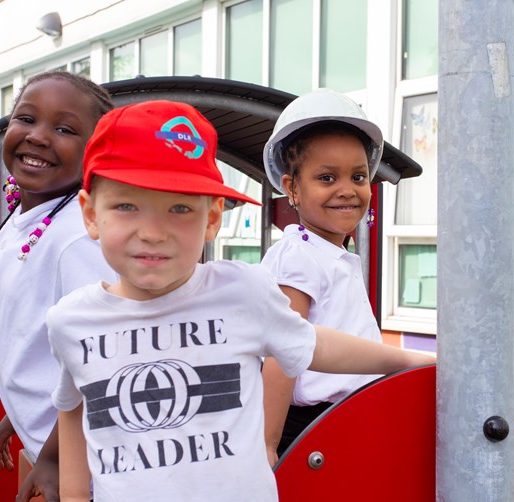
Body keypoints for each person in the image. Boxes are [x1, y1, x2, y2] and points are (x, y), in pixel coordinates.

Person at [46, 100, 435, 501]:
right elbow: (73, 407)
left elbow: (309, 343)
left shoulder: (242, 293)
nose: (152, 232)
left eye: (179, 207)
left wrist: (406, 361)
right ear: (91, 214)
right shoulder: (71, 321)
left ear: (212, 218)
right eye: (127, 206)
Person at [0, 70, 117, 502]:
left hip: (86, 463)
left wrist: (56, 457)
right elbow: (31, 333)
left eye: (63, 129)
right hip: (50, 433)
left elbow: (98, 362)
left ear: (96, 152)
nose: (38, 137)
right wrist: (18, 408)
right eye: (25, 119)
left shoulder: (78, 235)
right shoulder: (27, 221)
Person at [260, 88, 397, 460]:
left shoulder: (329, 251)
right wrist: (268, 446)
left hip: (349, 415)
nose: (347, 190)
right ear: (292, 189)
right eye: (326, 177)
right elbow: (280, 352)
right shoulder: (298, 255)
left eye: (358, 176)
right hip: (312, 428)